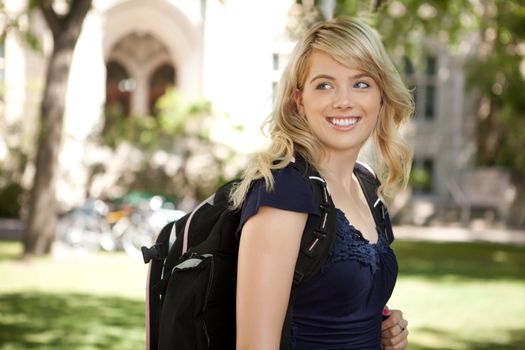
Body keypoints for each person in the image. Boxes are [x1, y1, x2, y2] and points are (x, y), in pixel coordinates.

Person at [230, 16, 412, 349]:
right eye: (324, 85)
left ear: (381, 97)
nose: (343, 100)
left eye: (361, 83)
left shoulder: (368, 186)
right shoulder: (284, 190)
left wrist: (380, 333)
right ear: (300, 101)